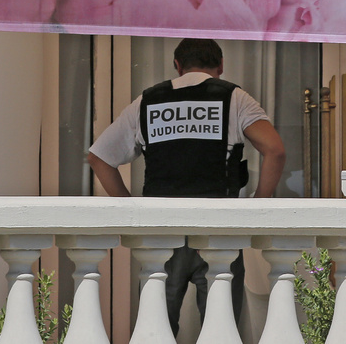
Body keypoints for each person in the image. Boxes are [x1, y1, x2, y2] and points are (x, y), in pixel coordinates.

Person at [87, 38, 286, 336]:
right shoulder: (234, 98)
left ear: (178, 66)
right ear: (220, 66)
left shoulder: (147, 101)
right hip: (220, 233)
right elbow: (275, 150)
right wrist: (258, 207)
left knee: (157, 332)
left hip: (161, 234)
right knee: (221, 332)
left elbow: (99, 157)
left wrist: (131, 210)